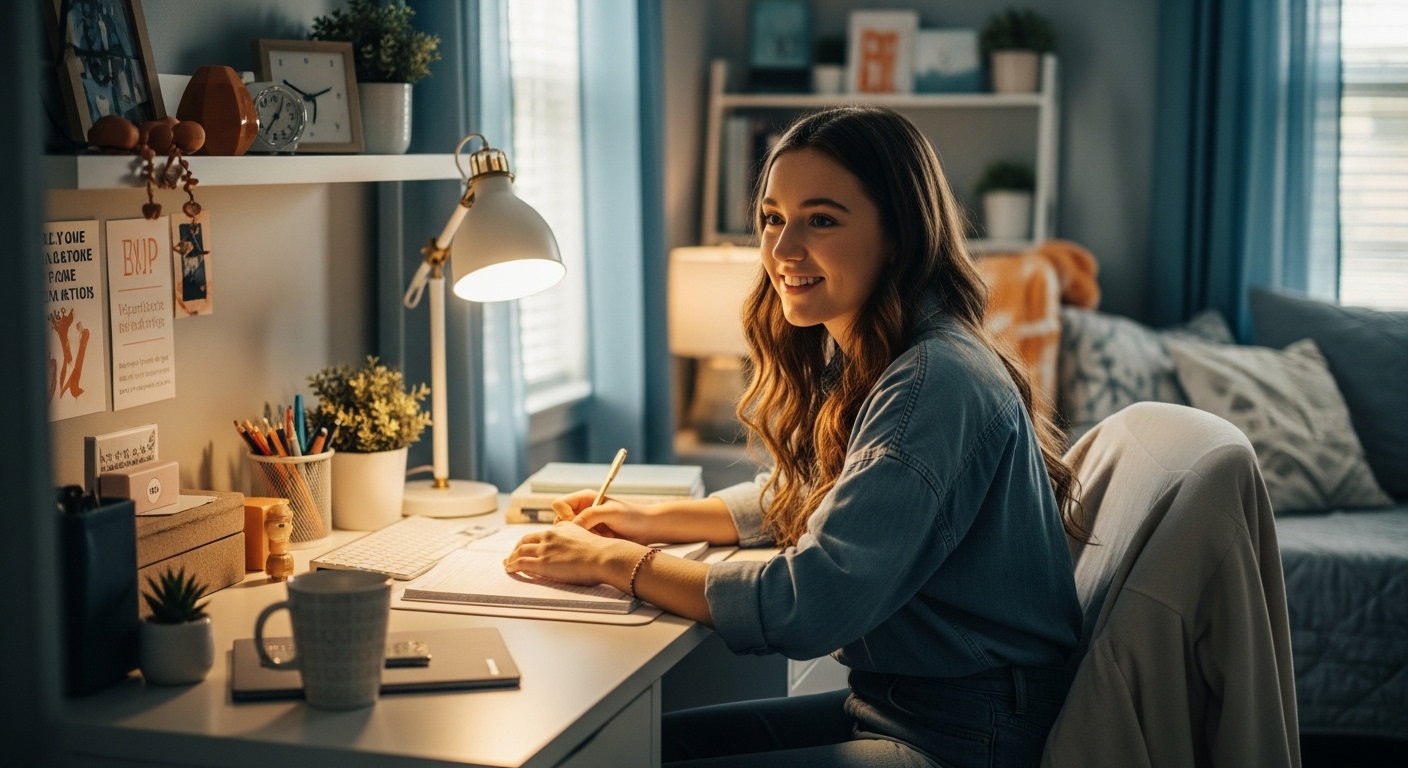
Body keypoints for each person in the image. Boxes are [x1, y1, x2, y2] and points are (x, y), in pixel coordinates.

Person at [504, 106, 1085, 768]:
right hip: (901, 703)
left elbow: (811, 603)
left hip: (962, 739)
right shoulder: (890, 352)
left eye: (822, 219)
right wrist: (647, 519)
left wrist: (615, 564)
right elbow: (814, 492)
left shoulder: (932, 383)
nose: (781, 252)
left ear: (899, 234)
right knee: (628, 751)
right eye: (774, 218)